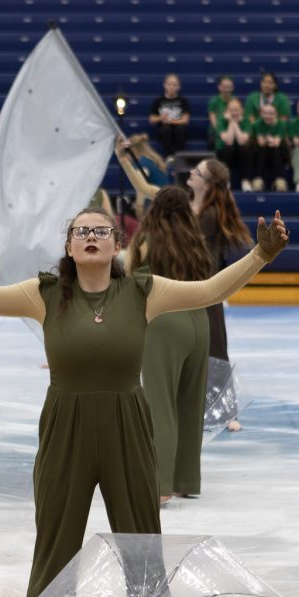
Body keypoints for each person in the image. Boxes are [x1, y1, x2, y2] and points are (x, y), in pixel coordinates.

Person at [0, 195, 288, 597]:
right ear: (69, 246)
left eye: (101, 231)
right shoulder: (44, 293)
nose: (91, 236)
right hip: (65, 429)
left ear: (117, 245)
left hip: (128, 427)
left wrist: (261, 255)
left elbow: (209, 290)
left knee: (142, 544)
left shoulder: (143, 291)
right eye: (82, 232)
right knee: (55, 547)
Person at [119, 143, 253, 432]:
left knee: (215, 346)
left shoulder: (211, 214)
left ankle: (226, 410)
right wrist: (125, 160)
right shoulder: (184, 204)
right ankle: (181, 402)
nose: (191, 173)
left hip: (205, 286)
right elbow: (145, 188)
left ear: (208, 184)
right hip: (179, 285)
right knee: (179, 344)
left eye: (198, 173)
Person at [125, 186, 214, 504]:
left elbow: (130, 277)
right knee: (191, 405)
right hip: (200, 321)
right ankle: (185, 480)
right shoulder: (195, 240)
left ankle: (160, 485)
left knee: (160, 406)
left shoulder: (147, 240)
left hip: (164, 323)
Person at [147, 73, 190, 158]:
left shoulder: (183, 101)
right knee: (166, 130)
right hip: (164, 129)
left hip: (178, 128)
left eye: (174, 85)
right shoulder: (158, 101)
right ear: (164, 85)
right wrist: (161, 118)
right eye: (169, 84)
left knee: (180, 129)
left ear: (179, 87)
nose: (171, 87)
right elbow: (151, 119)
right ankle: (169, 156)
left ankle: (179, 156)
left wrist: (172, 121)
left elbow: (185, 120)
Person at [250, 102, 288, 192]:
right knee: (263, 149)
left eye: (271, 113)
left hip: (278, 154)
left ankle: (280, 180)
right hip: (261, 154)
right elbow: (261, 143)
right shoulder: (257, 124)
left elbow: (277, 143)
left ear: (276, 114)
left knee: (273, 149)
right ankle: (258, 180)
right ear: (261, 114)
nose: (268, 116)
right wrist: (270, 140)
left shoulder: (281, 124)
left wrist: (268, 140)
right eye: (265, 113)